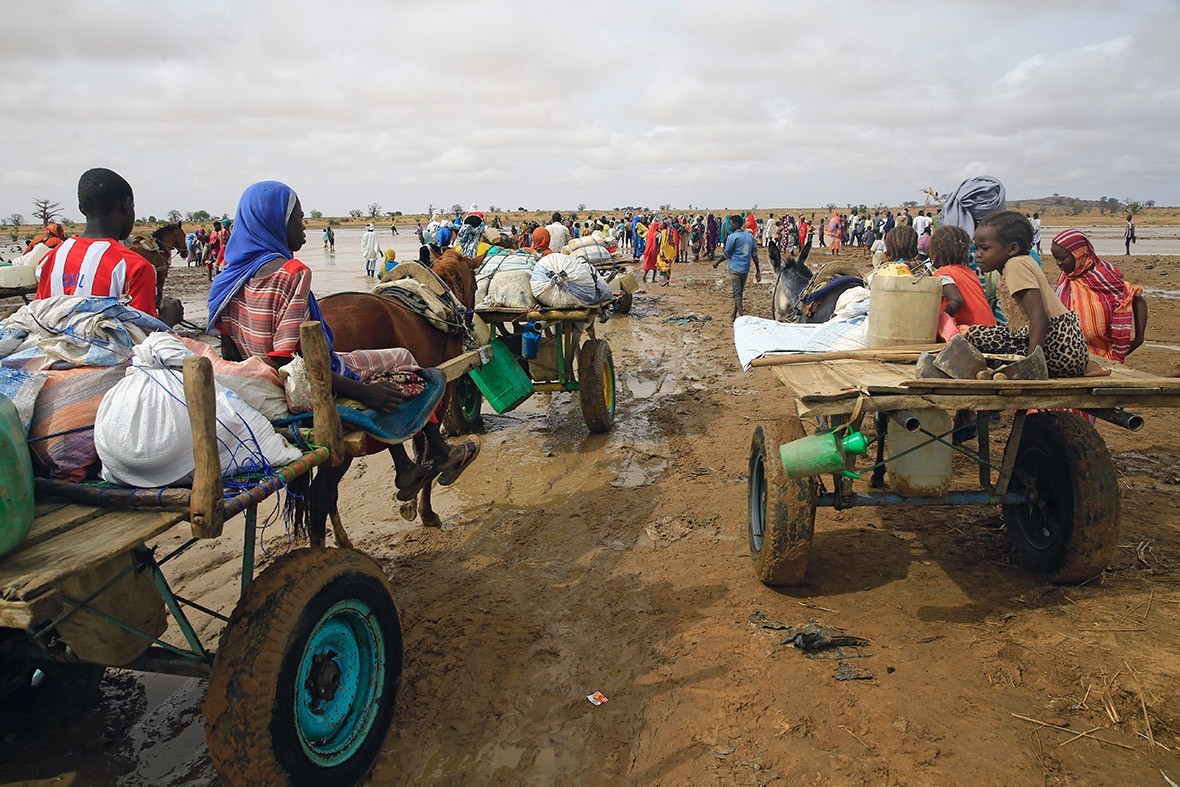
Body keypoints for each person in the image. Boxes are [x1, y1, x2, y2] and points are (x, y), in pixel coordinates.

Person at [209, 180, 478, 499]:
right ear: (275, 224)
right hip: (303, 384)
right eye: (298, 218)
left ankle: (408, 463)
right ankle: (439, 450)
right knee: (404, 360)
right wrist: (365, 391)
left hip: (259, 384)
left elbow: (231, 356)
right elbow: (289, 363)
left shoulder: (224, 281)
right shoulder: (292, 273)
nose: (305, 224)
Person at [963, 211, 1091, 378]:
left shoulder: (1015, 266)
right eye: (977, 248)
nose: (979, 254)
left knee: (975, 335)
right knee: (989, 333)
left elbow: (1039, 318)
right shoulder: (1023, 261)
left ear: (1012, 249)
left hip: (1057, 347)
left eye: (985, 248)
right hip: (1065, 346)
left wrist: (1031, 365)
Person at [35, 168, 158, 317]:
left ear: (81, 208)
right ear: (126, 205)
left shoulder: (49, 260)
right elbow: (144, 334)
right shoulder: (136, 268)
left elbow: (40, 320)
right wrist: (170, 316)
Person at [1051, 229, 1147, 362]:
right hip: (1070, 356)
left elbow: (1134, 296)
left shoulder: (1104, 277)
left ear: (1079, 254)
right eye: (1056, 258)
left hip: (1105, 355)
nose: (1058, 263)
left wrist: (1138, 339)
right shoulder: (1066, 278)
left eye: (1062, 258)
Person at [929, 225, 995, 328]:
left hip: (973, 334)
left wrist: (941, 324)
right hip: (990, 329)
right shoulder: (969, 273)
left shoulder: (943, 273)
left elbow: (956, 300)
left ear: (934, 255)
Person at [713, 215, 760, 320]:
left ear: (736, 224)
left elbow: (726, 254)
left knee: (737, 294)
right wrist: (758, 271)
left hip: (735, 268)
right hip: (745, 269)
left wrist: (717, 263)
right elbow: (755, 255)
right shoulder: (750, 237)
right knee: (739, 293)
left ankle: (742, 317)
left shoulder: (732, 237)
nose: (729, 225)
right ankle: (734, 315)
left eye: (731, 223)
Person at [641, 219, 661, 284]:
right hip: (654, 250)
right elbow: (658, 243)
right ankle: (653, 279)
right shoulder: (657, 234)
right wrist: (658, 250)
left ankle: (644, 276)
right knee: (654, 265)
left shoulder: (649, 233)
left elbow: (646, 242)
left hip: (649, 250)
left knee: (649, 264)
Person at [657, 220, 676, 285]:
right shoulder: (671, 233)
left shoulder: (663, 232)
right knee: (669, 265)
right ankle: (668, 280)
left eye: (664, 224)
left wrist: (660, 251)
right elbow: (673, 242)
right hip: (671, 251)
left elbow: (661, 242)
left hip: (665, 251)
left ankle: (664, 280)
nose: (662, 225)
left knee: (662, 263)